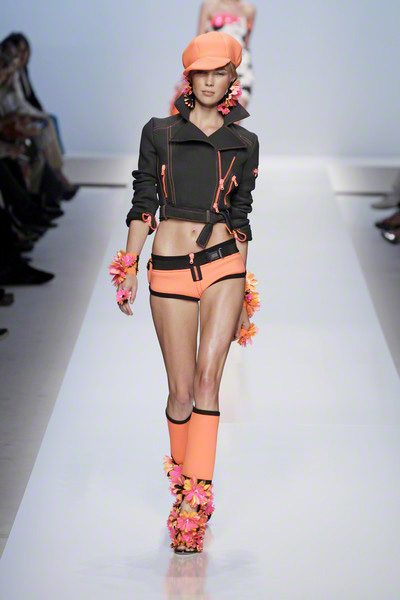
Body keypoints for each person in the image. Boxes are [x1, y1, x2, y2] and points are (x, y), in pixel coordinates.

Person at [112, 31, 259, 554]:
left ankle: (195, 505)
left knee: (207, 382)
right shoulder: (159, 132)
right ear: (189, 78)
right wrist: (129, 265)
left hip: (224, 265)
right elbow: (143, 200)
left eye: (221, 72)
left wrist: (245, 295)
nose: (211, 81)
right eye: (202, 73)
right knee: (179, 392)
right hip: (171, 268)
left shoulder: (245, 142)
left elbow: (241, 216)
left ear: (232, 79)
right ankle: (181, 490)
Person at [169, 0, 256, 115]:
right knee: (208, 115)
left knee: (234, 118)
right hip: (213, 67)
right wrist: (190, 74)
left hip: (242, 69)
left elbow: (246, 44)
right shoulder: (209, 6)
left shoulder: (249, 10)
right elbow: (199, 43)